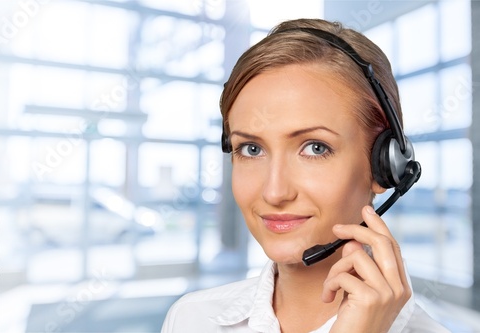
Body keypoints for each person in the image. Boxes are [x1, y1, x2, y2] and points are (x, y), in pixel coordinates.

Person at [161, 18, 450, 333]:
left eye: (315, 148)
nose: (274, 192)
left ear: (385, 165)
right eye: (251, 149)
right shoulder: (191, 319)